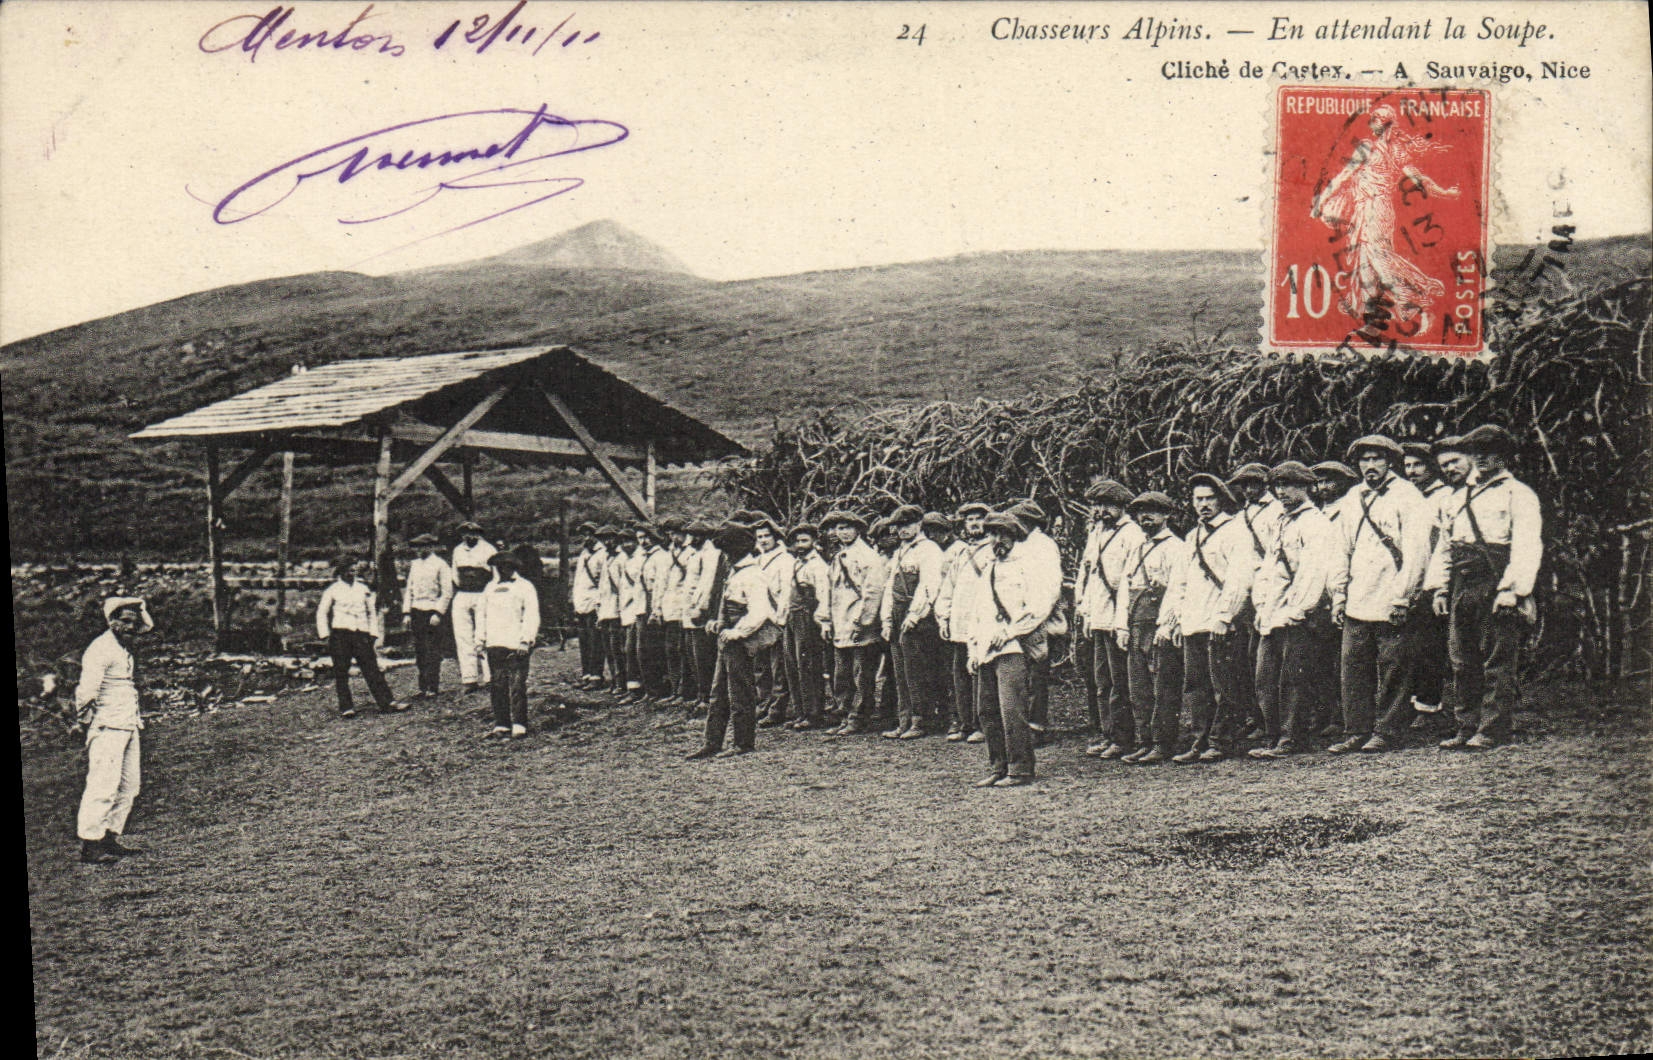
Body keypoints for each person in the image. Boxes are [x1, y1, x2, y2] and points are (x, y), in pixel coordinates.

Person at [1427, 425, 1542, 750]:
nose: (1482, 457)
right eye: (1476, 451)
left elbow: (1526, 545)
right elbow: (1446, 546)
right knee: (1462, 660)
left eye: (1489, 451)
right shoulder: (1458, 496)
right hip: (1463, 584)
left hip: (1496, 580)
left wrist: (1512, 590)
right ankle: (1466, 726)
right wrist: (1439, 588)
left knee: (1497, 659)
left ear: (1503, 455)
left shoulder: (1518, 494)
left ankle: (1493, 729)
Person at [1327, 435, 1432, 754]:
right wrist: (1338, 594)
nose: (1370, 466)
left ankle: (1387, 730)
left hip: (1391, 597)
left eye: (1376, 459)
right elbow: (1339, 549)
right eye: (1364, 460)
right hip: (1358, 597)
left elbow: (1417, 552)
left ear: (1390, 461)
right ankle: (1356, 730)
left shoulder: (1408, 497)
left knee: (1393, 669)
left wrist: (1403, 597)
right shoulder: (1352, 498)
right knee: (1353, 668)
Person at [1248, 462, 1338, 759]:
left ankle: (1291, 738)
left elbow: (1313, 573)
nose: (1282, 492)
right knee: (1265, 678)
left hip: (1297, 615)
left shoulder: (1316, 524)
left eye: (1289, 485)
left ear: (1306, 487)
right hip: (1273, 612)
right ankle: (1274, 735)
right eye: (1278, 486)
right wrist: (1262, 605)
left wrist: (1298, 610)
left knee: (1294, 679)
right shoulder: (1282, 521)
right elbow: (1269, 567)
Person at [1170, 475, 1256, 763]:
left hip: (1220, 622)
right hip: (1194, 621)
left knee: (1225, 685)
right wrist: (1179, 619)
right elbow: (1179, 582)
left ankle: (1222, 740)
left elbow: (1239, 579)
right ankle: (1200, 739)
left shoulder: (1236, 532)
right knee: (1196, 685)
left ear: (1220, 499)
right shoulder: (1190, 537)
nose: (1203, 505)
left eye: (1209, 498)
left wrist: (1224, 615)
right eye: (1198, 499)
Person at [686, 523, 782, 759]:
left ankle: (743, 741)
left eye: (727, 552)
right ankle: (713, 741)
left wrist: (737, 631)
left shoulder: (752, 575)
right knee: (718, 692)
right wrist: (720, 623)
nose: (725, 557)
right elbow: (731, 606)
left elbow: (760, 611)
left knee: (740, 692)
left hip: (740, 642)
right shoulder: (737, 572)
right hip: (728, 640)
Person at [74, 597, 154, 863]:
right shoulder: (100, 649)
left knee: (130, 784)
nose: (130, 627)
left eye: (134, 622)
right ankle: (91, 843)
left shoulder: (122, 649)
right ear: (112, 621)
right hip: (108, 725)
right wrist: (86, 722)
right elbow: (87, 691)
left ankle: (109, 836)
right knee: (103, 783)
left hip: (128, 722)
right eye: (125, 621)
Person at [967, 512, 1040, 787]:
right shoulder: (988, 569)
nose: (997, 540)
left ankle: (1020, 768)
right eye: (992, 535)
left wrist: (1009, 632)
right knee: (987, 711)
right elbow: (977, 612)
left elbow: (1035, 608)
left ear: (1014, 536)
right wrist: (972, 651)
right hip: (986, 648)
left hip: (1013, 648)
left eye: (1003, 534)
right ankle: (998, 765)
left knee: (1012, 709)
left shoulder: (1027, 566)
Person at [1116, 493, 1188, 765]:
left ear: (1166, 515)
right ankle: (1144, 740)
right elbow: (1126, 587)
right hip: (1136, 623)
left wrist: (1166, 625)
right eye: (1141, 512)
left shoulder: (1175, 548)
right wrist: (1121, 626)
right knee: (1139, 687)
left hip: (1158, 625)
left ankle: (1162, 741)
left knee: (1163, 685)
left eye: (1153, 512)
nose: (1145, 517)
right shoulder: (1137, 548)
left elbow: (1178, 588)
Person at [1075, 479, 1143, 759]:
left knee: (1119, 682)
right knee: (1102, 681)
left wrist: (1121, 622)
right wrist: (1086, 611)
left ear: (1121, 506)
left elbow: (1129, 581)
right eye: (1098, 505)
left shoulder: (1132, 534)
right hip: (1098, 617)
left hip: (1118, 618)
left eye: (1108, 505)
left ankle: (1124, 738)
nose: (1102, 511)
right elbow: (1089, 573)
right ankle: (1108, 733)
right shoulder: (1097, 533)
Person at [879, 505, 947, 739]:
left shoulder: (929, 550)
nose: (902, 530)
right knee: (900, 671)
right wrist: (887, 619)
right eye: (898, 527)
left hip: (918, 617)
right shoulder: (900, 551)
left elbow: (929, 586)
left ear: (919, 524)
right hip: (898, 614)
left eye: (907, 525)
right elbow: (889, 588)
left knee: (917, 671)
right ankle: (904, 720)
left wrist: (915, 615)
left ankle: (921, 720)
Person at [1228, 462, 1286, 741]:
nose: (1249, 489)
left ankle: (1272, 720)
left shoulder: (1277, 510)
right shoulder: (1242, 515)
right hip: (1246, 590)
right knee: (1243, 658)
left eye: (1255, 483)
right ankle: (1255, 716)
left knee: (1267, 659)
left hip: (1269, 588)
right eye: (1244, 484)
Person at [1005, 499, 1065, 743]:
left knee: (1036, 672)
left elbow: (1049, 587)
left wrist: (1035, 616)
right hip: (1019, 616)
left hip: (1038, 618)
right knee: (1022, 672)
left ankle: (1037, 725)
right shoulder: (1020, 545)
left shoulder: (1043, 546)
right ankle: (1023, 724)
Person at [823, 510, 887, 735]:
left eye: (848, 527)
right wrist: (826, 620)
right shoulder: (839, 556)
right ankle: (845, 714)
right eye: (839, 528)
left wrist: (863, 620)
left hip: (860, 625)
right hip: (841, 624)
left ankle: (858, 717)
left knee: (862, 674)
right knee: (843, 674)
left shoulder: (868, 556)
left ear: (857, 530)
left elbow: (873, 591)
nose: (843, 532)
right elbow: (830, 591)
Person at [1402, 441, 1453, 723]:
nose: (1411, 471)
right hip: (1411, 578)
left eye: (1417, 465)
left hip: (1436, 579)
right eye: (1407, 466)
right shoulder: (1407, 497)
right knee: (1412, 645)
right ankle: (1415, 704)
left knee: (1433, 644)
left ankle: (1430, 706)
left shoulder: (1444, 496)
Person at [317, 558, 405, 718]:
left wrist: (373, 633)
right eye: (350, 570)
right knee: (341, 672)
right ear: (342, 572)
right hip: (341, 634)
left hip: (361, 634)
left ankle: (387, 702)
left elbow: (371, 612)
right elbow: (322, 612)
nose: (353, 573)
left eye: (355, 570)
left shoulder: (363, 589)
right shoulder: (333, 590)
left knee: (372, 669)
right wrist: (325, 634)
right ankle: (346, 707)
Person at [1309, 460, 1360, 736]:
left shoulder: (1350, 509)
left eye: (1330, 481)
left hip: (1342, 588)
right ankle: (1324, 712)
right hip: (1319, 590)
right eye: (1319, 482)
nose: (1324, 487)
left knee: (1343, 657)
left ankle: (1342, 716)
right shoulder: (1316, 513)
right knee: (1319, 658)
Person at [936, 501, 991, 742]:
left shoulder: (993, 549)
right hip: (960, 622)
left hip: (982, 623)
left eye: (980, 518)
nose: (975, 523)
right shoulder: (959, 552)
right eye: (970, 519)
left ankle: (982, 725)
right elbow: (948, 586)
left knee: (980, 673)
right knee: (960, 675)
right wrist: (944, 617)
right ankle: (964, 722)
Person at [478, 551, 540, 739]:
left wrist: (525, 640)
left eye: (505, 566)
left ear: (513, 567)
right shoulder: (489, 588)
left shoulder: (525, 587)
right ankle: (502, 723)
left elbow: (531, 615)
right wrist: (480, 640)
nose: (501, 570)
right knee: (497, 684)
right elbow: (481, 615)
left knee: (517, 684)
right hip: (495, 642)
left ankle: (519, 722)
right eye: (498, 567)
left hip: (516, 643)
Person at [781, 523, 833, 729]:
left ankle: (813, 713)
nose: (800, 545)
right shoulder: (796, 563)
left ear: (814, 542)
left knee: (808, 666)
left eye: (805, 540)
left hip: (807, 618)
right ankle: (800, 711)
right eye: (797, 541)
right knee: (792, 664)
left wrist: (822, 620)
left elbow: (823, 595)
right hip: (792, 617)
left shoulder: (818, 566)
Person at [752, 516, 795, 724]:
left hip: (776, 617)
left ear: (775, 536)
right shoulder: (758, 560)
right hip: (760, 617)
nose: (763, 540)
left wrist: (781, 618)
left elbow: (786, 591)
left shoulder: (785, 560)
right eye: (759, 536)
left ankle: (777, 709)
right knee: (761, 666)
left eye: (766, 535)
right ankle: (763, 703)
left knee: (778, 667)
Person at [401, 532, 455, 699]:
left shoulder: (441, 565)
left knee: (433, 649)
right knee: (420, 650)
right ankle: (423, 686)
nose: (419, 550)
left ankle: (433, 686)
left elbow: (447, 592)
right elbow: (409, 589)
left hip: (432, 611)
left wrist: (438, 613)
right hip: (417, 610)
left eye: (423, 547)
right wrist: (407, 612)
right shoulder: (415, 564)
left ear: (431, 547)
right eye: (417, 547)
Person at [450, 522, 497, 693]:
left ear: (479, 534)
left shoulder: (488, 549)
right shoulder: (458, 550)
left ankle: (490, 677)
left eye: (473, 533)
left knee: (484, 635)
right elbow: (455, 575)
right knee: (463, 637)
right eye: (465, 533)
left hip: (482, 593)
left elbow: (495, 575)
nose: (469, 537)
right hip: (463, 594)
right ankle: (469, 678)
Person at [684, 521, 724, 714]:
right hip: (691, 608)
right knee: (695, 655)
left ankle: (707, 697)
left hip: (701, 612)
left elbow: (707, 585)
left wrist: (700, 608)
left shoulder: (710, 554)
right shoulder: (697, 554)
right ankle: (702, 694)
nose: (690, 540)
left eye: (694, 536)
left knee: (704, 656)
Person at [570, 522, 608, 689]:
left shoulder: (603, 554)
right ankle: (586, 674)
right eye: (584, 534)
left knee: (595, 641)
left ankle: (596, 676)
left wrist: (600, 602)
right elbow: (578, 579)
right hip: (582, 602)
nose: (587, 538)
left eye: (590, 534)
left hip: (594, 601)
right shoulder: (584, 554)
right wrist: (574, 600)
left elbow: (604, 581)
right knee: (584, 640)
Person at [638, 524, 675, 699]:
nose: (643, 541)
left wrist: (656, 609)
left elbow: (660, 585)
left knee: (655, 650)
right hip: (644, 605)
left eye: (646, 537)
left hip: (654, 604)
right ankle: (650, 689)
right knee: (643, 649)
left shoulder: (662, 557)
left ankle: (658, 689)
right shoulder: (645, 557)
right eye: (640, 538)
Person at [595, 526, 630, 695]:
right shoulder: (606, 558)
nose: (607, 542)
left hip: (617, 609)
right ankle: (615, 681)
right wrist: (599, 607)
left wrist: (621, 607)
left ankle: (622, 682)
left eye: (610, 538)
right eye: (604, 539)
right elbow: (602, 586)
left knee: (617, 649)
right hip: (606, 610)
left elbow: (623, 586)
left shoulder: (622, 558)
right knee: (608, 648)